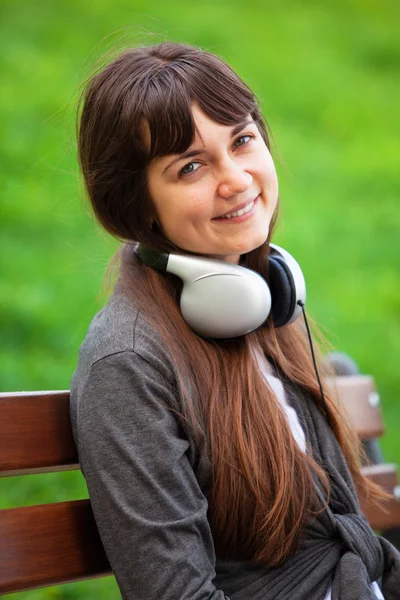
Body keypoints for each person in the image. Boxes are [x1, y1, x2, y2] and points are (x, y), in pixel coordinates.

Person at [70, 42, 400, 599]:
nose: (236, 180)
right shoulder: (126, 364)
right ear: (138, 203)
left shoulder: (265, 300)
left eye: (242, 140)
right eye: (191, 166)